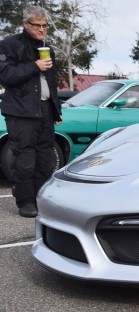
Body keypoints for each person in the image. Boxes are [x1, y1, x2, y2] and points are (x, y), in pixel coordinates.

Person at [0, 6, 62, 218]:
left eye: (45, 26)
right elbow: (6, 75)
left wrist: (56, 110)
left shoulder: (47, 47)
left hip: (44, 110)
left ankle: (38, 197)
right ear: (26, 24)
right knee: (24, 158)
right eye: (38, 26)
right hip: (20, 112)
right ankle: (25, 202)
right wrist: (35, 65)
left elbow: (51, 83)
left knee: (45, 158)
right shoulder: (9, 45)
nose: (43, 30)